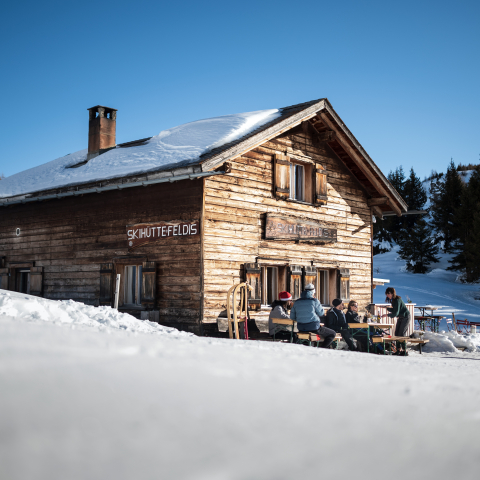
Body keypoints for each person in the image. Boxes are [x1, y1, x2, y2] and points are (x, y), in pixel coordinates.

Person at [290, 283, 336, 348]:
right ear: (313, 293)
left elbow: (292, 317)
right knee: (332, 333)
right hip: (313, 327)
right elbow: (321, 313)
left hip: (301, 327)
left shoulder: (297, 302)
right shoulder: (314, 301)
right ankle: (322, 348)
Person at [380, 287, 411, 355]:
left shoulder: (397, 300)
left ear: (392, 293)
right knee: (397, 333)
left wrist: (387, 315)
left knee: (401, 334)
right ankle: (399, 350)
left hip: (405, 317)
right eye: (387, 294)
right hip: (400, 317)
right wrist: (386, 308)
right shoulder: (393, 300)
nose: (388, 295)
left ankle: (405, 351)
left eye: (389, 294)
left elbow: (395, 313)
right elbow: (395, 310)